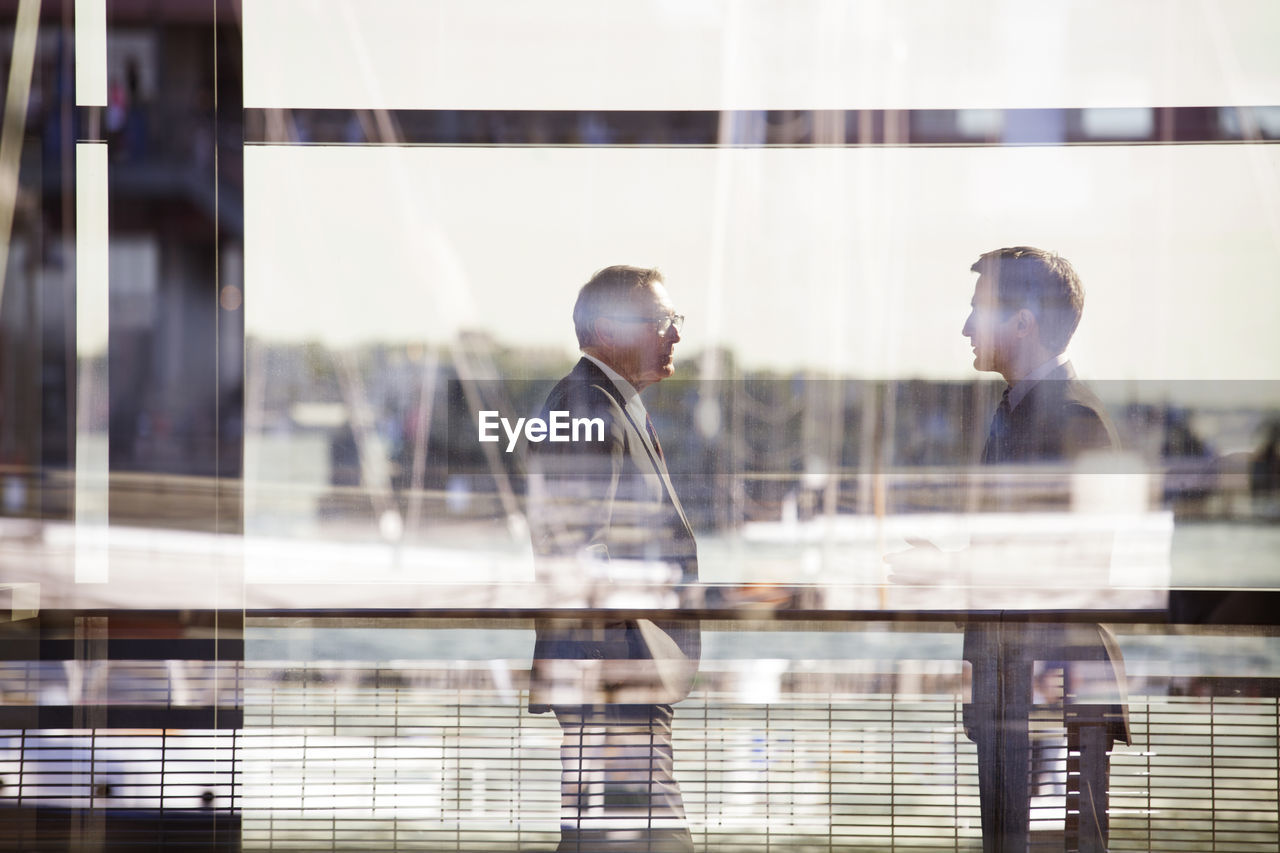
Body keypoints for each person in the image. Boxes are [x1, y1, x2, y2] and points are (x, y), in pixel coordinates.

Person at [959, 246, 1131, 853]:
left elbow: (1078, 565)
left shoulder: (1073, 418)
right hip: (1020, 689)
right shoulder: (1022, 411)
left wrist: (946, 568)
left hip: (1051, 692)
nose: (965, 327)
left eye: (978, 310)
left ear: (1024, 322)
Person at [526, 265, 700, 853]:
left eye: (673, 320)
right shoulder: (586, 404)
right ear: (606, 329)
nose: (674, 334)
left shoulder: (606, 402)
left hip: (618, 676)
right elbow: (576, 551)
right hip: (611, 681)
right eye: (659, 321)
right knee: (652, 840)